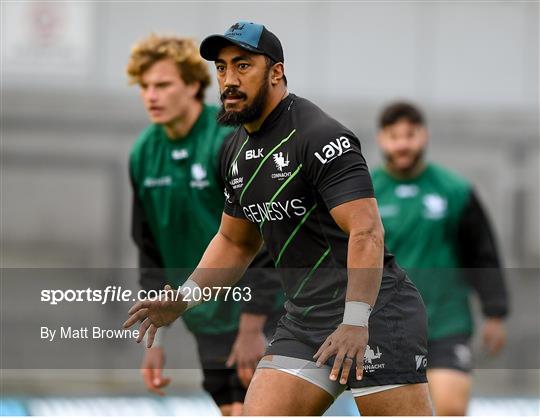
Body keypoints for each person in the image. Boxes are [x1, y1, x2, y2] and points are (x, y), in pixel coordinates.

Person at [124, 22, 433, 416]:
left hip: (376, 314)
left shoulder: (320, 135)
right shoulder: (233, 149)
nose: (229, 80)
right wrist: (183, 299)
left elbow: (366, 231)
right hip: (305, 321)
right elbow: (235, 242)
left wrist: (357, 321)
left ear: (276, 72)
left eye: (242, 66)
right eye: (221, 68)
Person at [126, 34, 282, 416]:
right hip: (205, 316)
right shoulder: (143, 154)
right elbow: (150, 250)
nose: (152, 96)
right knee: (233, 409)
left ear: (195, 85)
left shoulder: (228, 141)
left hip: (263, 312)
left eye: (163, 85)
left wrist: (252, 328)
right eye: (145, 87)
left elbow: (264, 237)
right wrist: (155, 337)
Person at [371, 101, 509, 415]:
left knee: (450, 407)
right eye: (395, 136)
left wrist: (495, 312)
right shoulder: (366, 192)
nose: (403, 144)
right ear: (382, 139)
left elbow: (481, 253)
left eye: (411, 134)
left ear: (424, 136)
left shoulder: (454, 190)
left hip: (446, 322)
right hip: (387, 325)